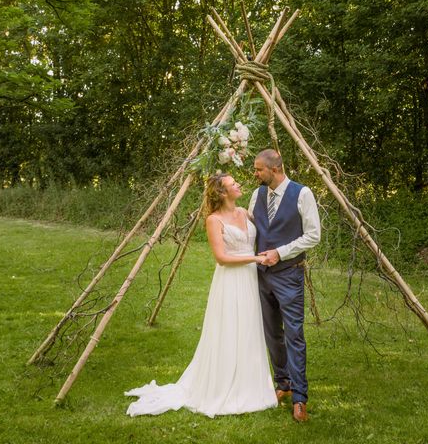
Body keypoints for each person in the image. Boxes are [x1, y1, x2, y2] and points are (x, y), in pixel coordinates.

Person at [125, 173, 278, 417]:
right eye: (233, 184)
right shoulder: (214, 220)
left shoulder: (246, 213)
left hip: (250, 279)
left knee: (249, 328)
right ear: (222, 193)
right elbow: (222, 258)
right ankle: (223, 384)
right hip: (230, 280)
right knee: (229, 329)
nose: (238, 185)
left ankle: (250, 383)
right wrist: (256, 258)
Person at [248, 149, 321, 422]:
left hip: (289, 274)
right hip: (262, 275)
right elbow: (254, 229)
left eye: (258, 170)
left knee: (294, 335)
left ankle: (300, 398)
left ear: (275, 169)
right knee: (271, 334)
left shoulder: (302, 194)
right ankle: (283, 384)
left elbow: (314, 235)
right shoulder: (257, 195)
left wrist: (280, 252)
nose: (255, 174)